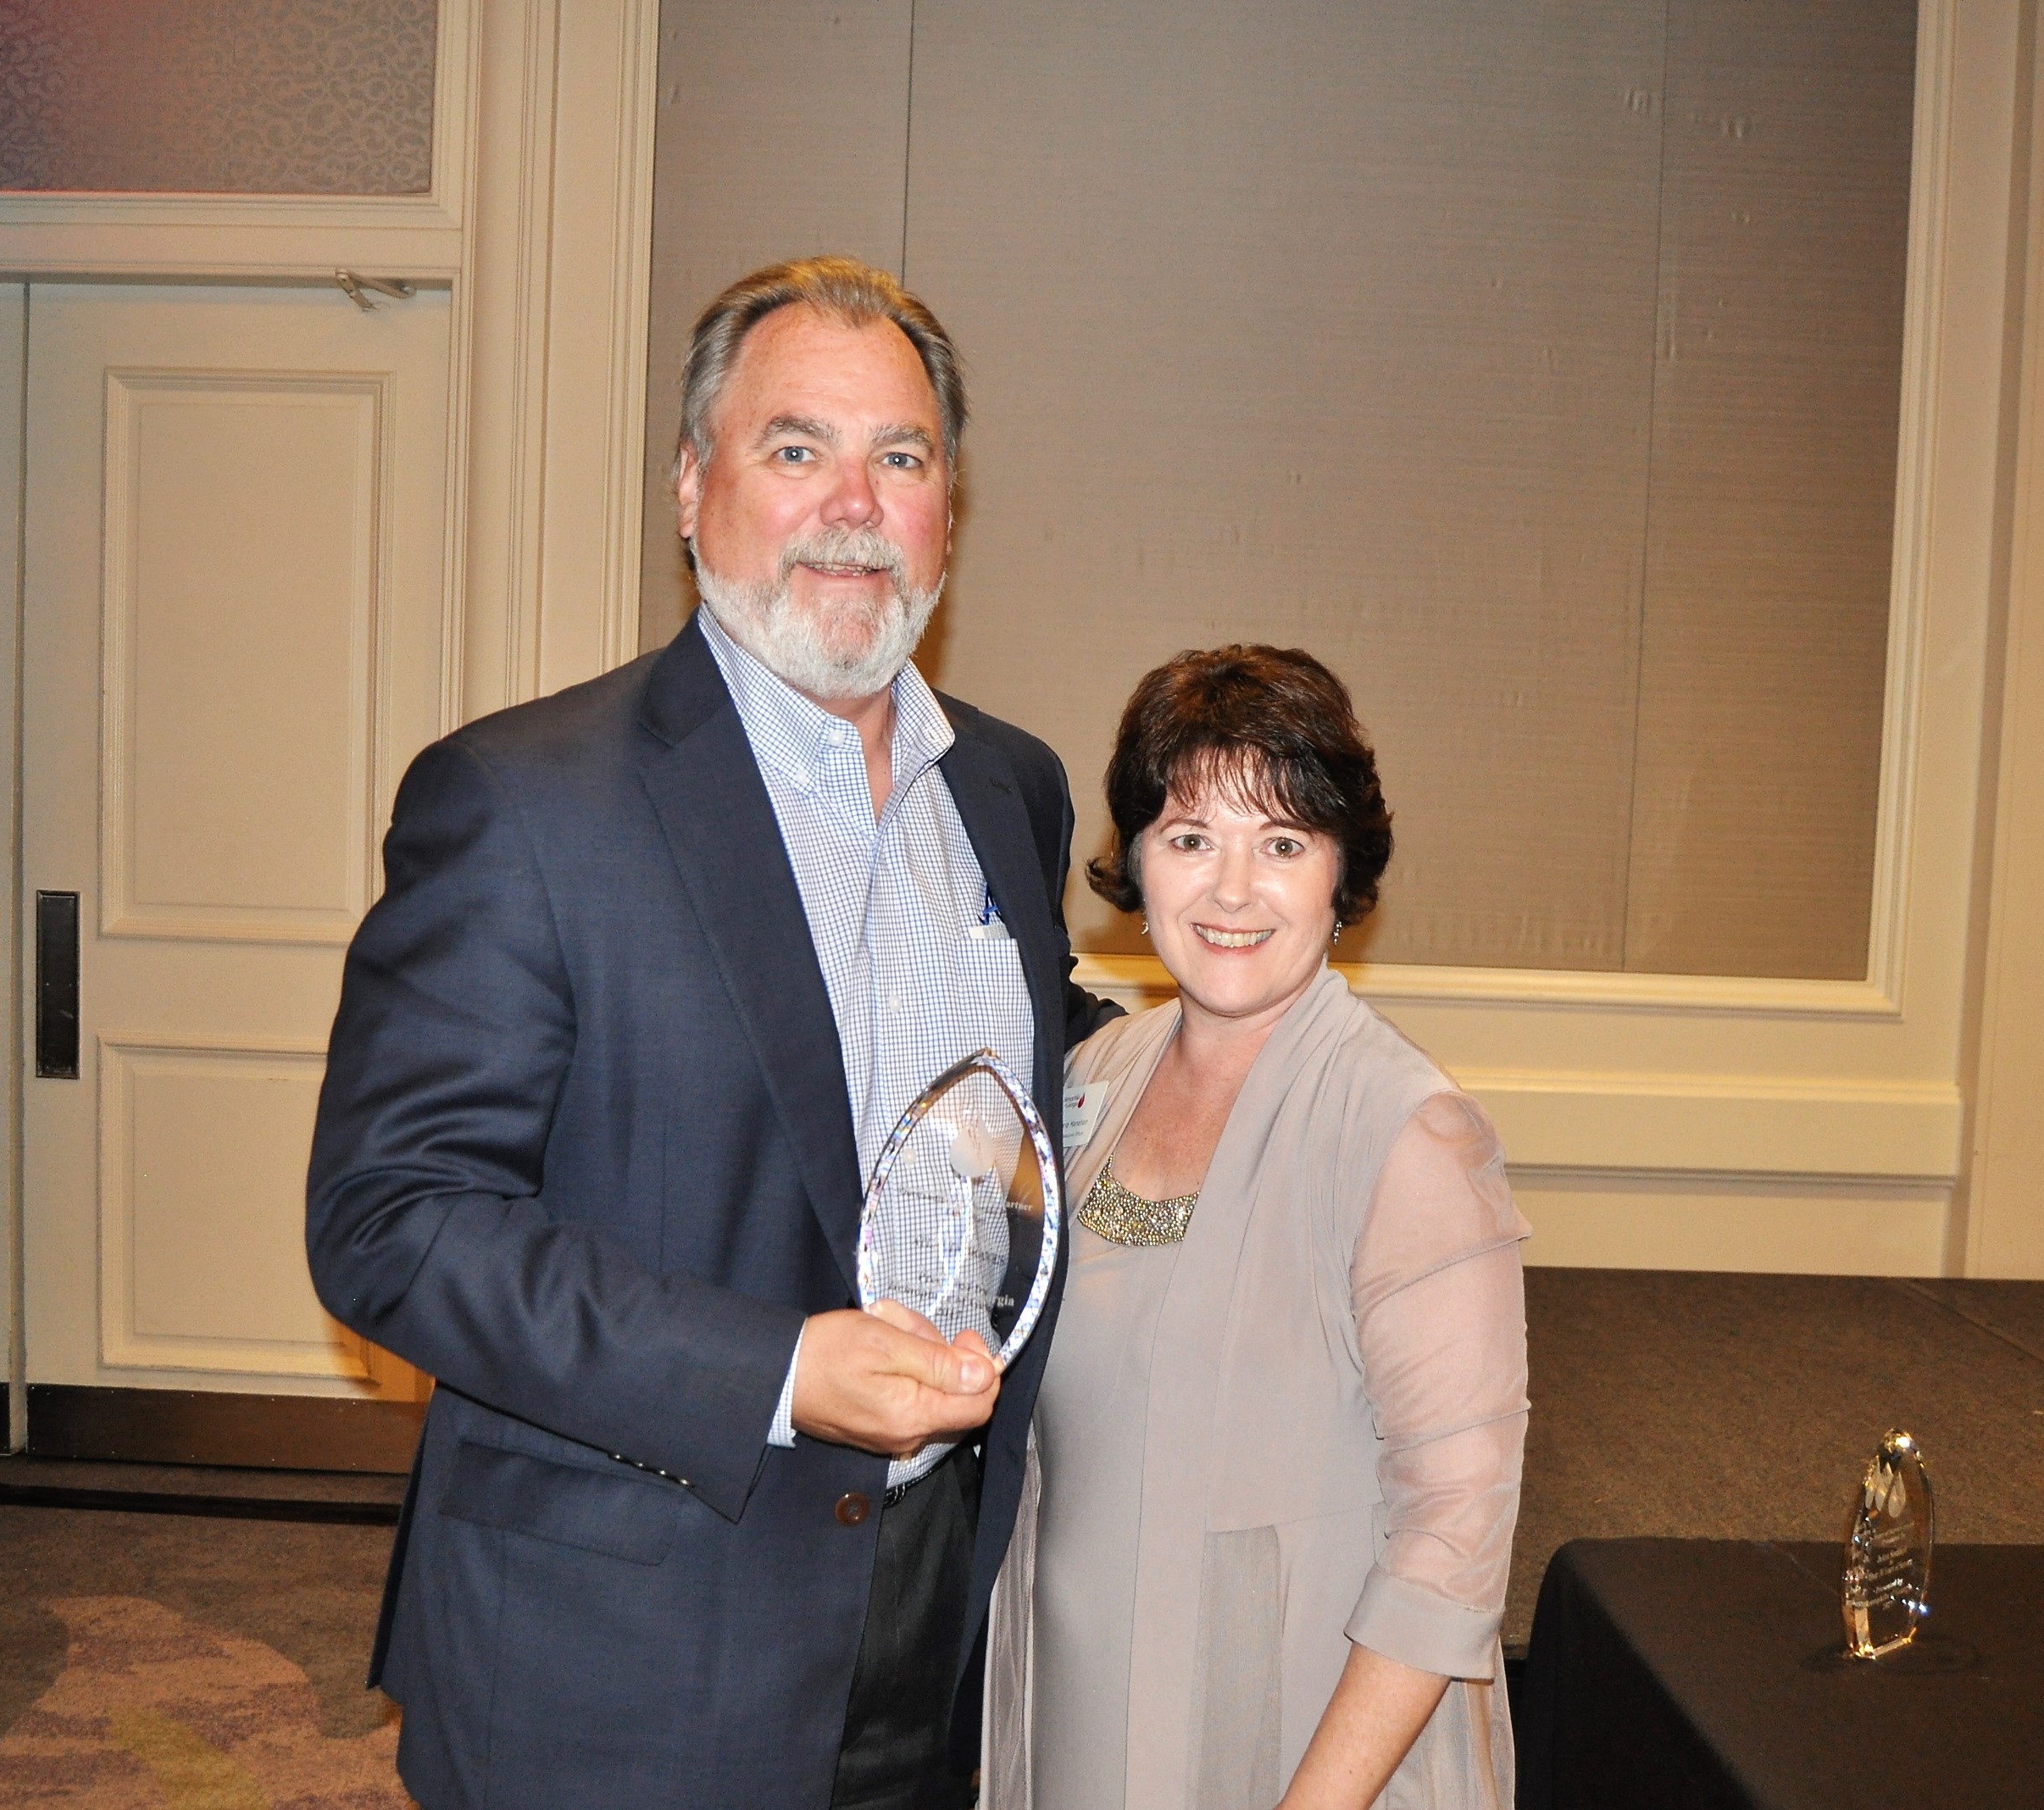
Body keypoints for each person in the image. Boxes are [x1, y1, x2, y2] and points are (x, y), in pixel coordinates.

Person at [307, 257, 1116, 1808]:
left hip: (938, 1598)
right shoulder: (525, 802)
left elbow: (1022, 1054)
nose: (854, 505)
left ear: (950, 507)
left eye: (903, 458)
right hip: (625, 1646)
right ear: (692, 490)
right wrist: (780, 1370)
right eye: (795, 448)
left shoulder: (1006, 789)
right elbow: (393, 1227)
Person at [984, 647, 1530, 1810]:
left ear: (1343, 875)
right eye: (1190, 838)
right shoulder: (1090, 1081)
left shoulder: (1411, 1134)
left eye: (1281, 843)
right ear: (1138, 861)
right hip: (1076, 1722)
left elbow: (1454, 1543)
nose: (1232, 892)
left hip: (1302, 1748)